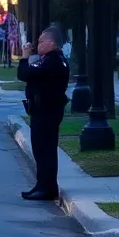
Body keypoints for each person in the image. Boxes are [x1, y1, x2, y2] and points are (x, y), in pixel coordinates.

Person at [17, 27, 71, 201]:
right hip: (46, 110)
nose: (37, 45)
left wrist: (24, 56)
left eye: (41, 42)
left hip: (46, 111)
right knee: (42, 150)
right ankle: (42, 185)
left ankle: (47, 188)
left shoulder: (52, 61)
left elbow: (24, 74)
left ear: (52, 43)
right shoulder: (54, 60)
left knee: (44, 150)